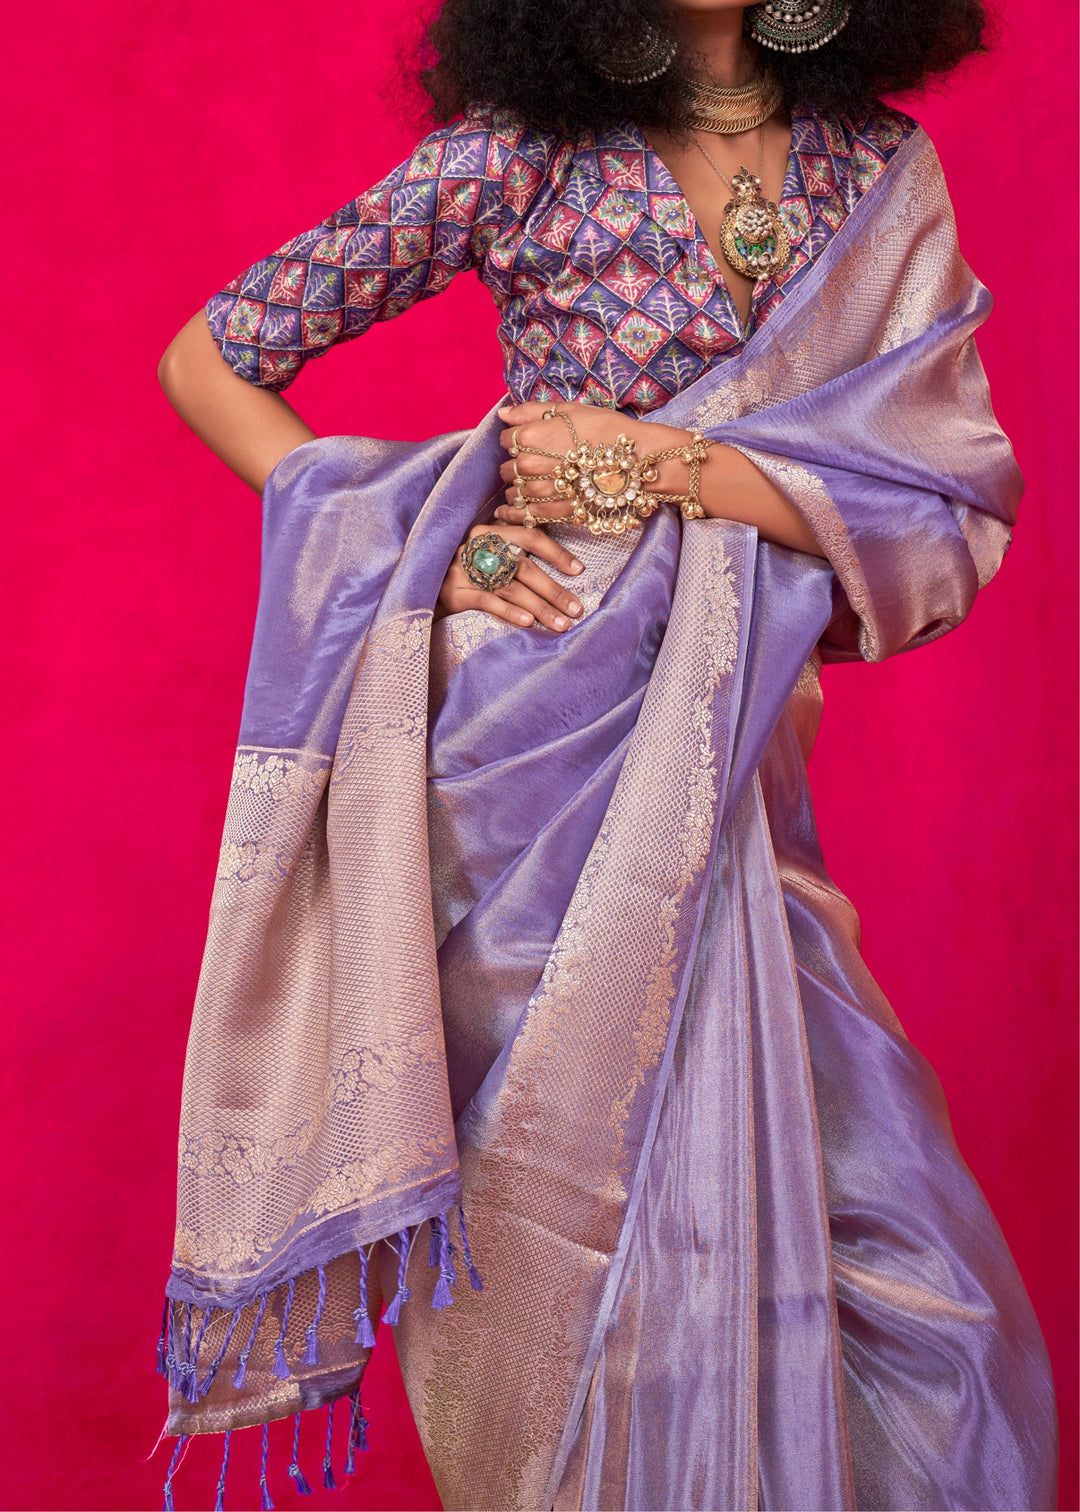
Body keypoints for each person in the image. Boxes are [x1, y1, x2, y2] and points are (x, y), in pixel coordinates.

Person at [156, 2, 1059, 1508]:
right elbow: (210, 361)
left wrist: (672, 465)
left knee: (907, 1276)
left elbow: (941, 494)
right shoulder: (520, 154)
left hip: (735, 746)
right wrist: (432, 552)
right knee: (571, 1231)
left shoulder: (876, 173)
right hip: (524, 759)